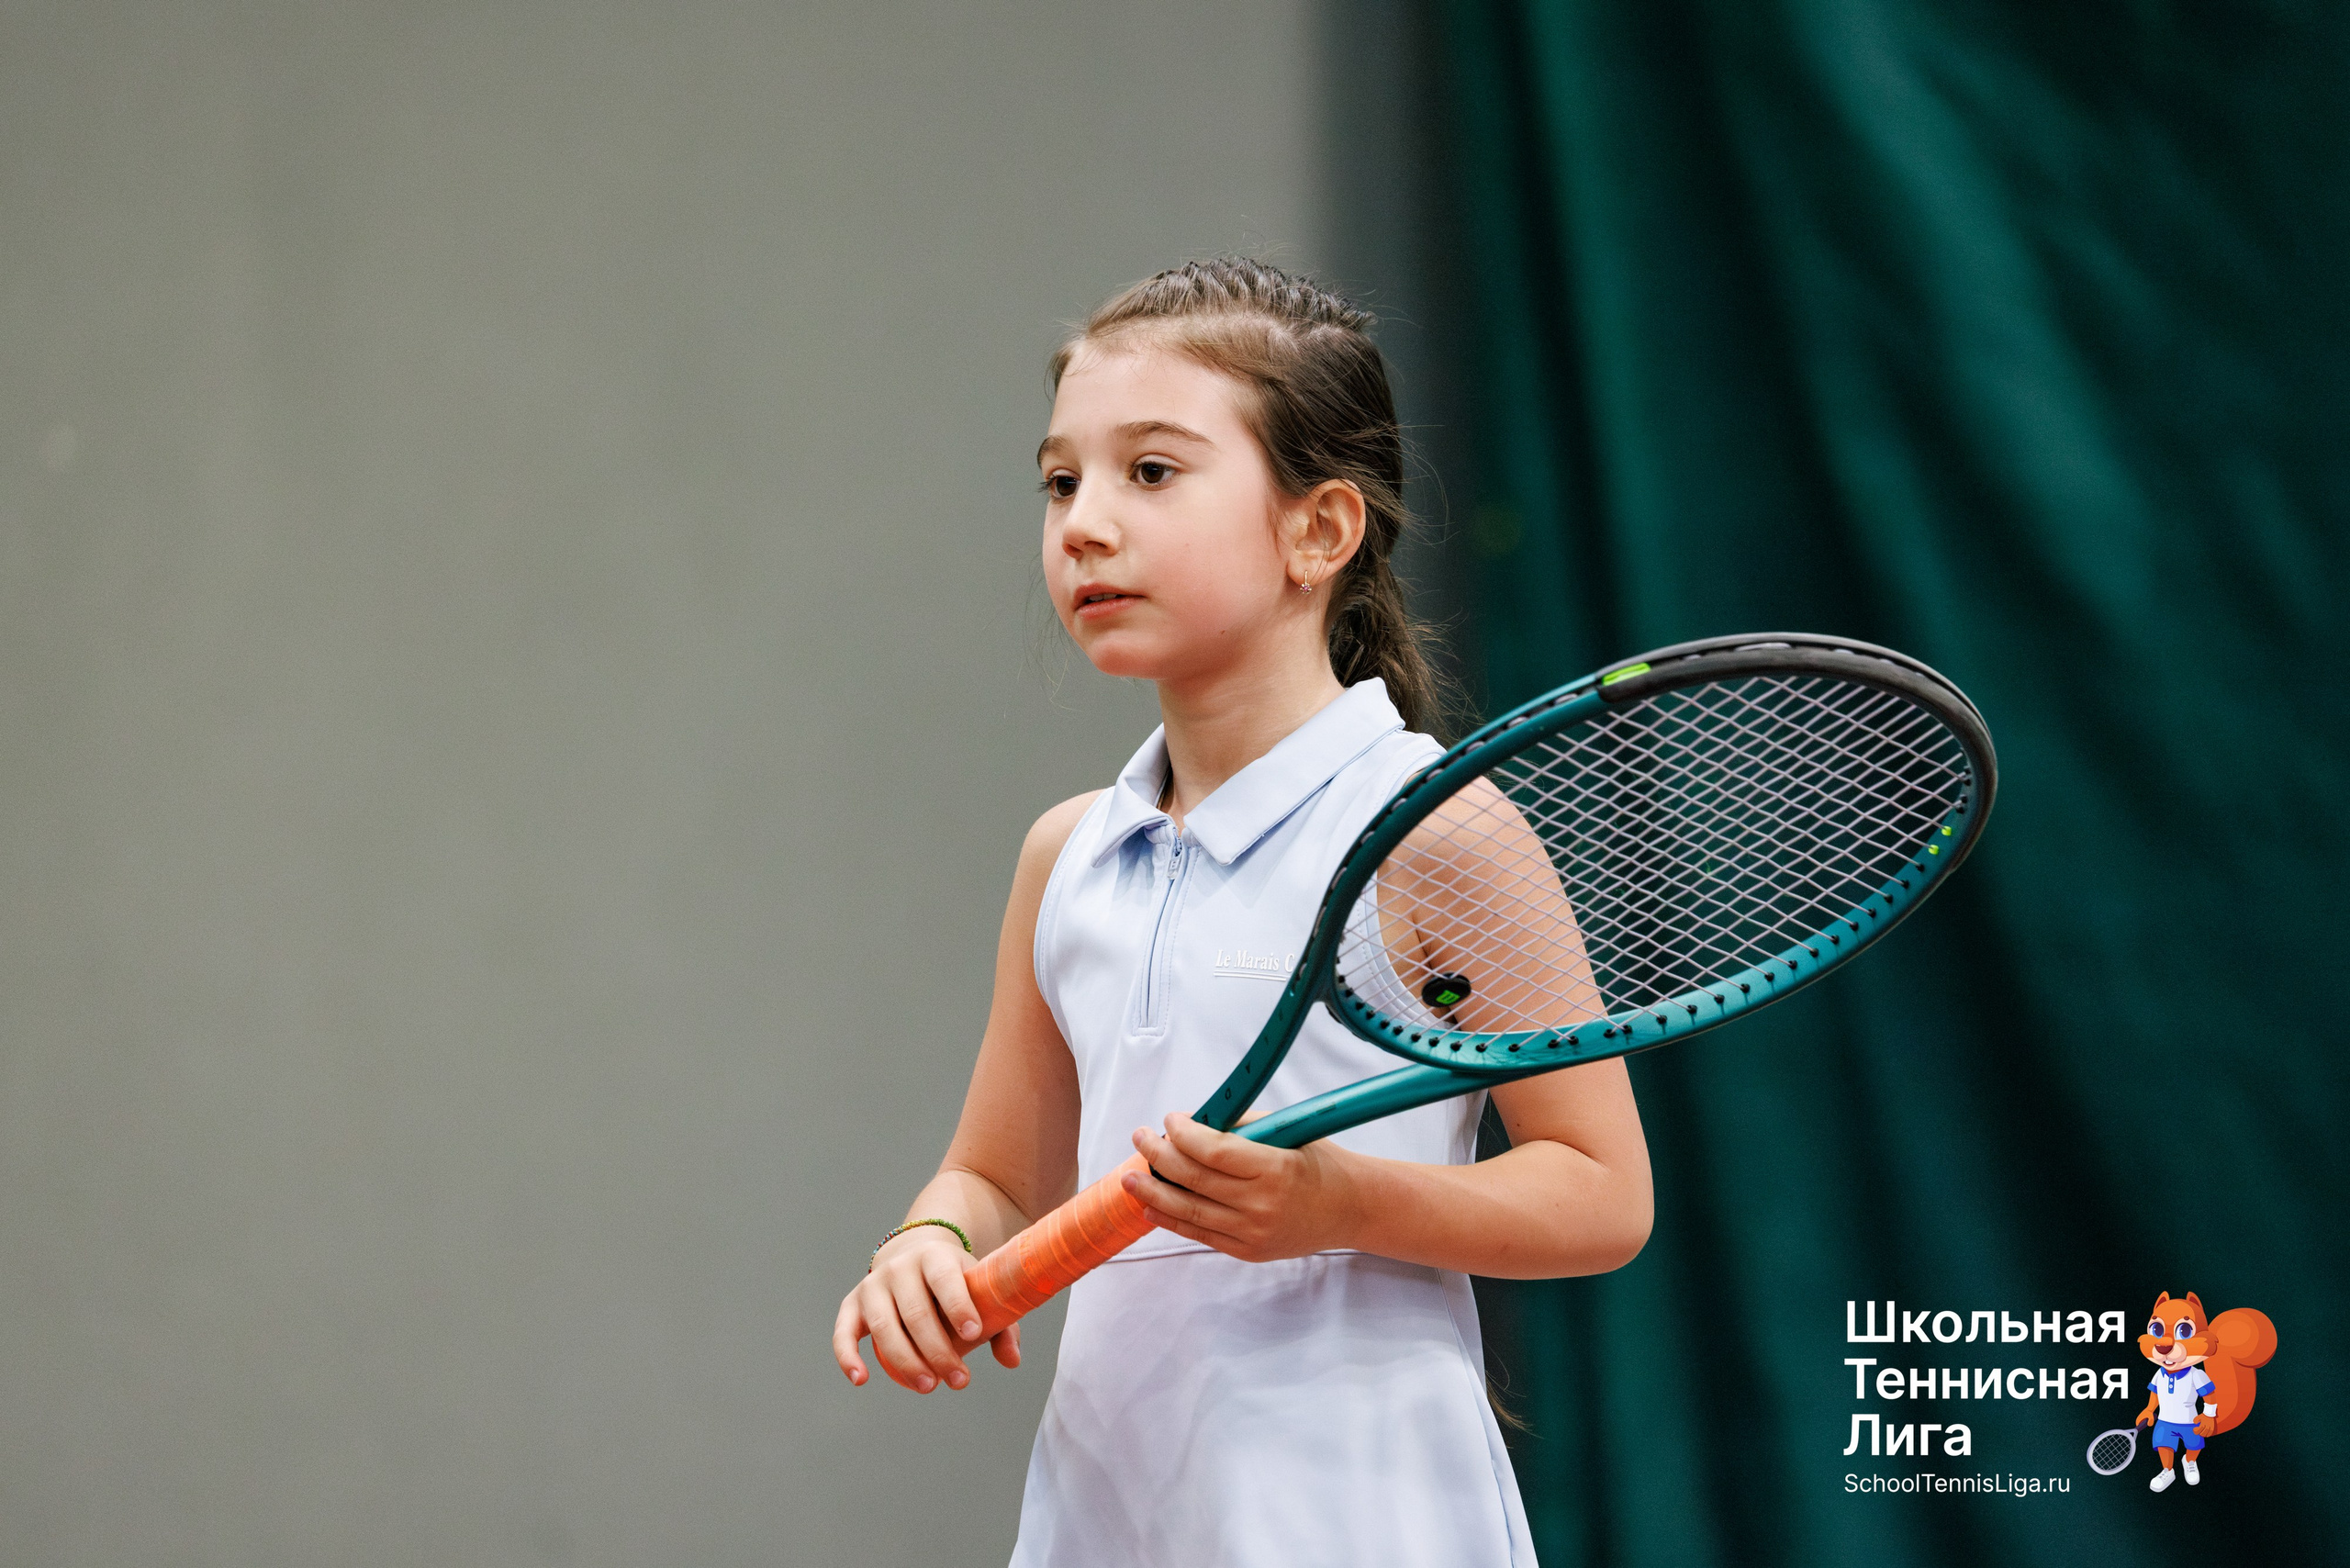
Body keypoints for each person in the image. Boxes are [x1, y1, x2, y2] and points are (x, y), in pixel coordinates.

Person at [831, 258, 1652, 1567]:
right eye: (1061, 481)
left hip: (1362, 1509)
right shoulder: (1067, 857)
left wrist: (1336, 1203)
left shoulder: (1436, 833)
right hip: (1106, 1510)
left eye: (1151, 473)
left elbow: (1602, 1193)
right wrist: (931, 1242)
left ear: (1319, 531)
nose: (1085, 523)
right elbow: (997, 1175)